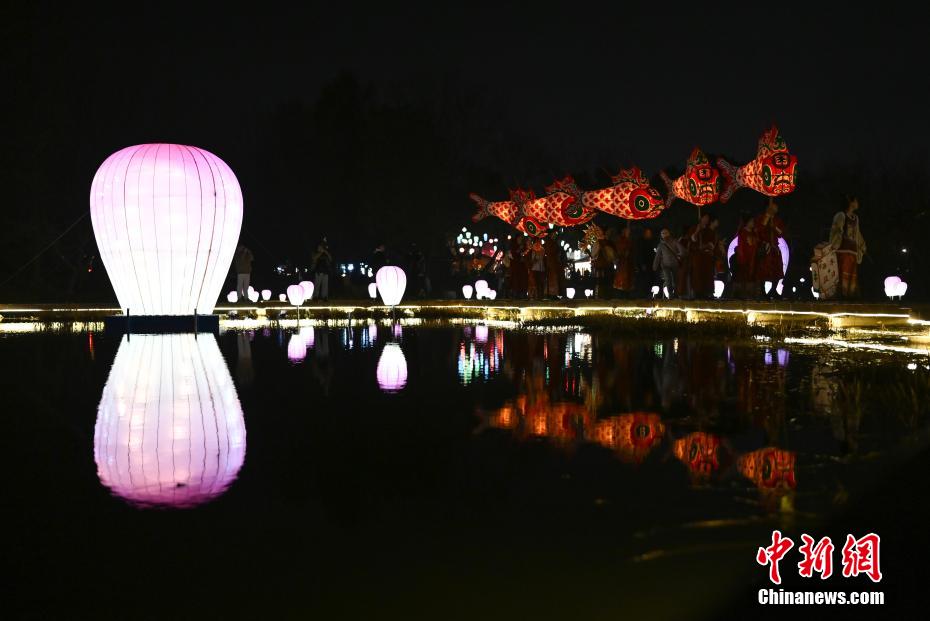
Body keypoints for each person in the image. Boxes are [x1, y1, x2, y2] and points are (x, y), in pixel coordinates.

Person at [830, 196, 866, 299]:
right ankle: (841, 296)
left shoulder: (856, 218)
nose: (857, 203)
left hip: (853, 251)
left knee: (851, 275)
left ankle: (849, 296)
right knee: (842, 274)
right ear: (851, 202)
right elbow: (836, 230)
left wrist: (862, 245)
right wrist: (836, 241)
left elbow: (857, 234)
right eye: (856, 200)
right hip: (843, 250)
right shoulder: (841, 215)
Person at [753, 199, 785, 297]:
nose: (776, 208)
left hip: (774, 247)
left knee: (777, 269)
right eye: (774, 206)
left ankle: (774, 289)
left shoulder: (777, 220)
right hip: (764, 247)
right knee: (763, 269)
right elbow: (759, 229)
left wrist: (774, 227)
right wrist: (767, 218)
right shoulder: (761, 217)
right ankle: (762, 290)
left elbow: (781, 233)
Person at [688, 213, 718, 299]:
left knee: (707, 275)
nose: (706, 220)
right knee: (698, 274)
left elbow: (712, 245)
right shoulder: (694, 228)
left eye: (708, 218)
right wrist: (697, 230)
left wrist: (706, 246)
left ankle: (707, 293)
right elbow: (693, 239)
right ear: (701, 218)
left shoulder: (709, 231)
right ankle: (697, 293)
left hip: (707, 257)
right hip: (697, 256)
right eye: (705, 217)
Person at [653, 228, 683, 298]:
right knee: (669, 280)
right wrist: (655, 265)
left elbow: (683, 251)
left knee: (674, 280)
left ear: (669, 233)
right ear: (661, 235)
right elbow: (658, 256)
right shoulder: (661, 245)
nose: (664, 235)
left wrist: (679, 255)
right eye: (663, 233)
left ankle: (674, 295)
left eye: (665, 233)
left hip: (673, 264)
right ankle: (672, 295)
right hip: (666, 265)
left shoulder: (674, 242)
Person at [733, 216, 759, 299]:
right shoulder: (742, 233)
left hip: (753, 258)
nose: (752, 223)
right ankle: (742, 295)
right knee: (743, 277)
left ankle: (752, 295)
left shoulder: (754, 233)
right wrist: (742, 258)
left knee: (752, 277)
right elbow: (740, 247)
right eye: (751, 221)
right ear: (747, 222)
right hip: (745, 259)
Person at [612, 225, 635, 297]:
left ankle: (627, 293)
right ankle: (621, 293)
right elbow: (618, 250)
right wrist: (624, 252)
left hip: (628, 262)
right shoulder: (620, 240)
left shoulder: (630, 240)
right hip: (622, 262)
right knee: (622, 277)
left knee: (628, 277)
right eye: (626, 231)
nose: (628, 233)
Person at [636, 228, 655, 297]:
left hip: (650, 264)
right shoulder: (641, 242)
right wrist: (642, 263)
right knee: (644, 279)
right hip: (644, 264)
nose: (649, 234)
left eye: (649, 233)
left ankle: (648, 293)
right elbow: (640, 253)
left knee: (649, 279)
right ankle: (643, 294)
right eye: (647, 233)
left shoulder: (651, 242)